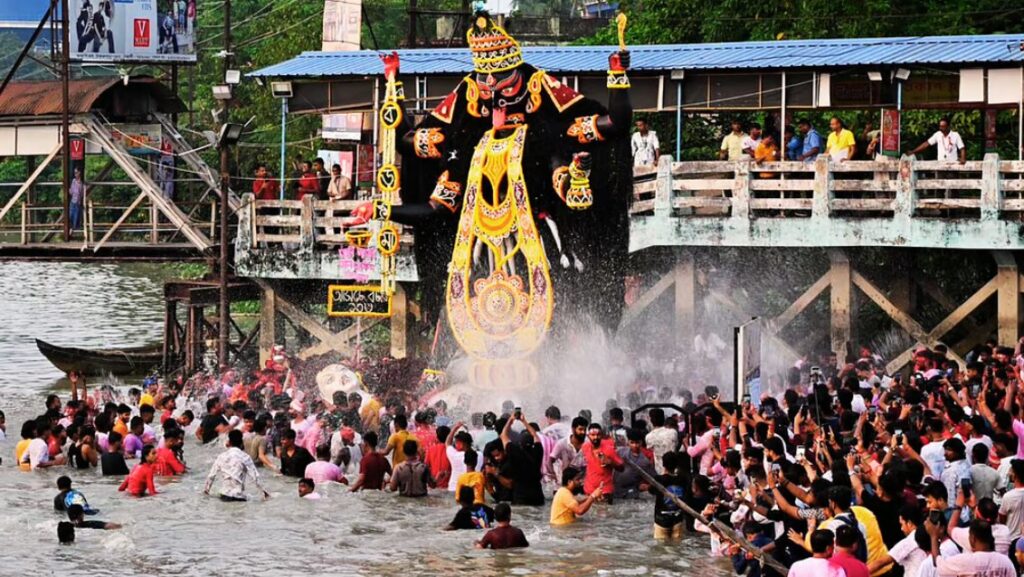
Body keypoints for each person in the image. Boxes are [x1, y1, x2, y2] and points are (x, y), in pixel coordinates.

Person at [927, 519, 1014, 577]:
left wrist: (934, 536)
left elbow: (938, 564)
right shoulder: (1006, 562)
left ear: (973, 539)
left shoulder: (965, 561)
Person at [204, 430, 270, 502]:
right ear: (242, 443)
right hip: (239, 497)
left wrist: (206, 491)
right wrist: (265, 493)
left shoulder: (221, 456)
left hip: (224, 496)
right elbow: (255, 477)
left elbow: (211, 476)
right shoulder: (245, 457)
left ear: (229, 443)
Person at [582, 422, 624, 503]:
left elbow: (622, 468)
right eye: (593, 435)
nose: (596, 437)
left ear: (601, 435)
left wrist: (610, 462)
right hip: (589, 491)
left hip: (605, 492)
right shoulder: (585, 447)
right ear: (588, 436)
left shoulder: (609, 449)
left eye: (598, 435)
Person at [650, 452, 687, 539]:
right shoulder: (682, 479)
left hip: (661, 519)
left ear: (663, 464)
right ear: (676, 465)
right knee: (677, 545)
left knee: (661, 547)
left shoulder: (658, 479)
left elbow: (651, 491)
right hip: (677, 518)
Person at [646, 408, 678, 475]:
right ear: (664, 419)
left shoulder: (649, 437)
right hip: (674, 471)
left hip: (659, 472)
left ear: (651, 420)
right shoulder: (673, 432)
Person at [69, 167, 85, 232]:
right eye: (74, 173)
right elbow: (72, 191)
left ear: (79, 173)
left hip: (77, 202)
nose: (75, 174)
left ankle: (75, 229)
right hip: (73, 201)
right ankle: (71, 228)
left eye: (76, 173)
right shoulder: (73, 181)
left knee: (76, 217)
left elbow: (81, 193)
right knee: (71, 216)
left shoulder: (81, 183)